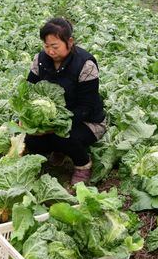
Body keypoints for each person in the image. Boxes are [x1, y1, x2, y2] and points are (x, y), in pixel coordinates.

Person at [24, 18, 106, 185]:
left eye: (55, 47)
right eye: (46, 46)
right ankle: (59, 150)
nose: (50, 51)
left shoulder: (85, 64)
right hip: (52, 121)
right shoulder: (40, 60)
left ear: (70, 42)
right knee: (30, 140)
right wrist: (26, 119)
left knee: (64, 137)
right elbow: (28, 91)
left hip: (87, 121)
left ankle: (83, 164)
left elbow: (86, 108)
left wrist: (53, 126)